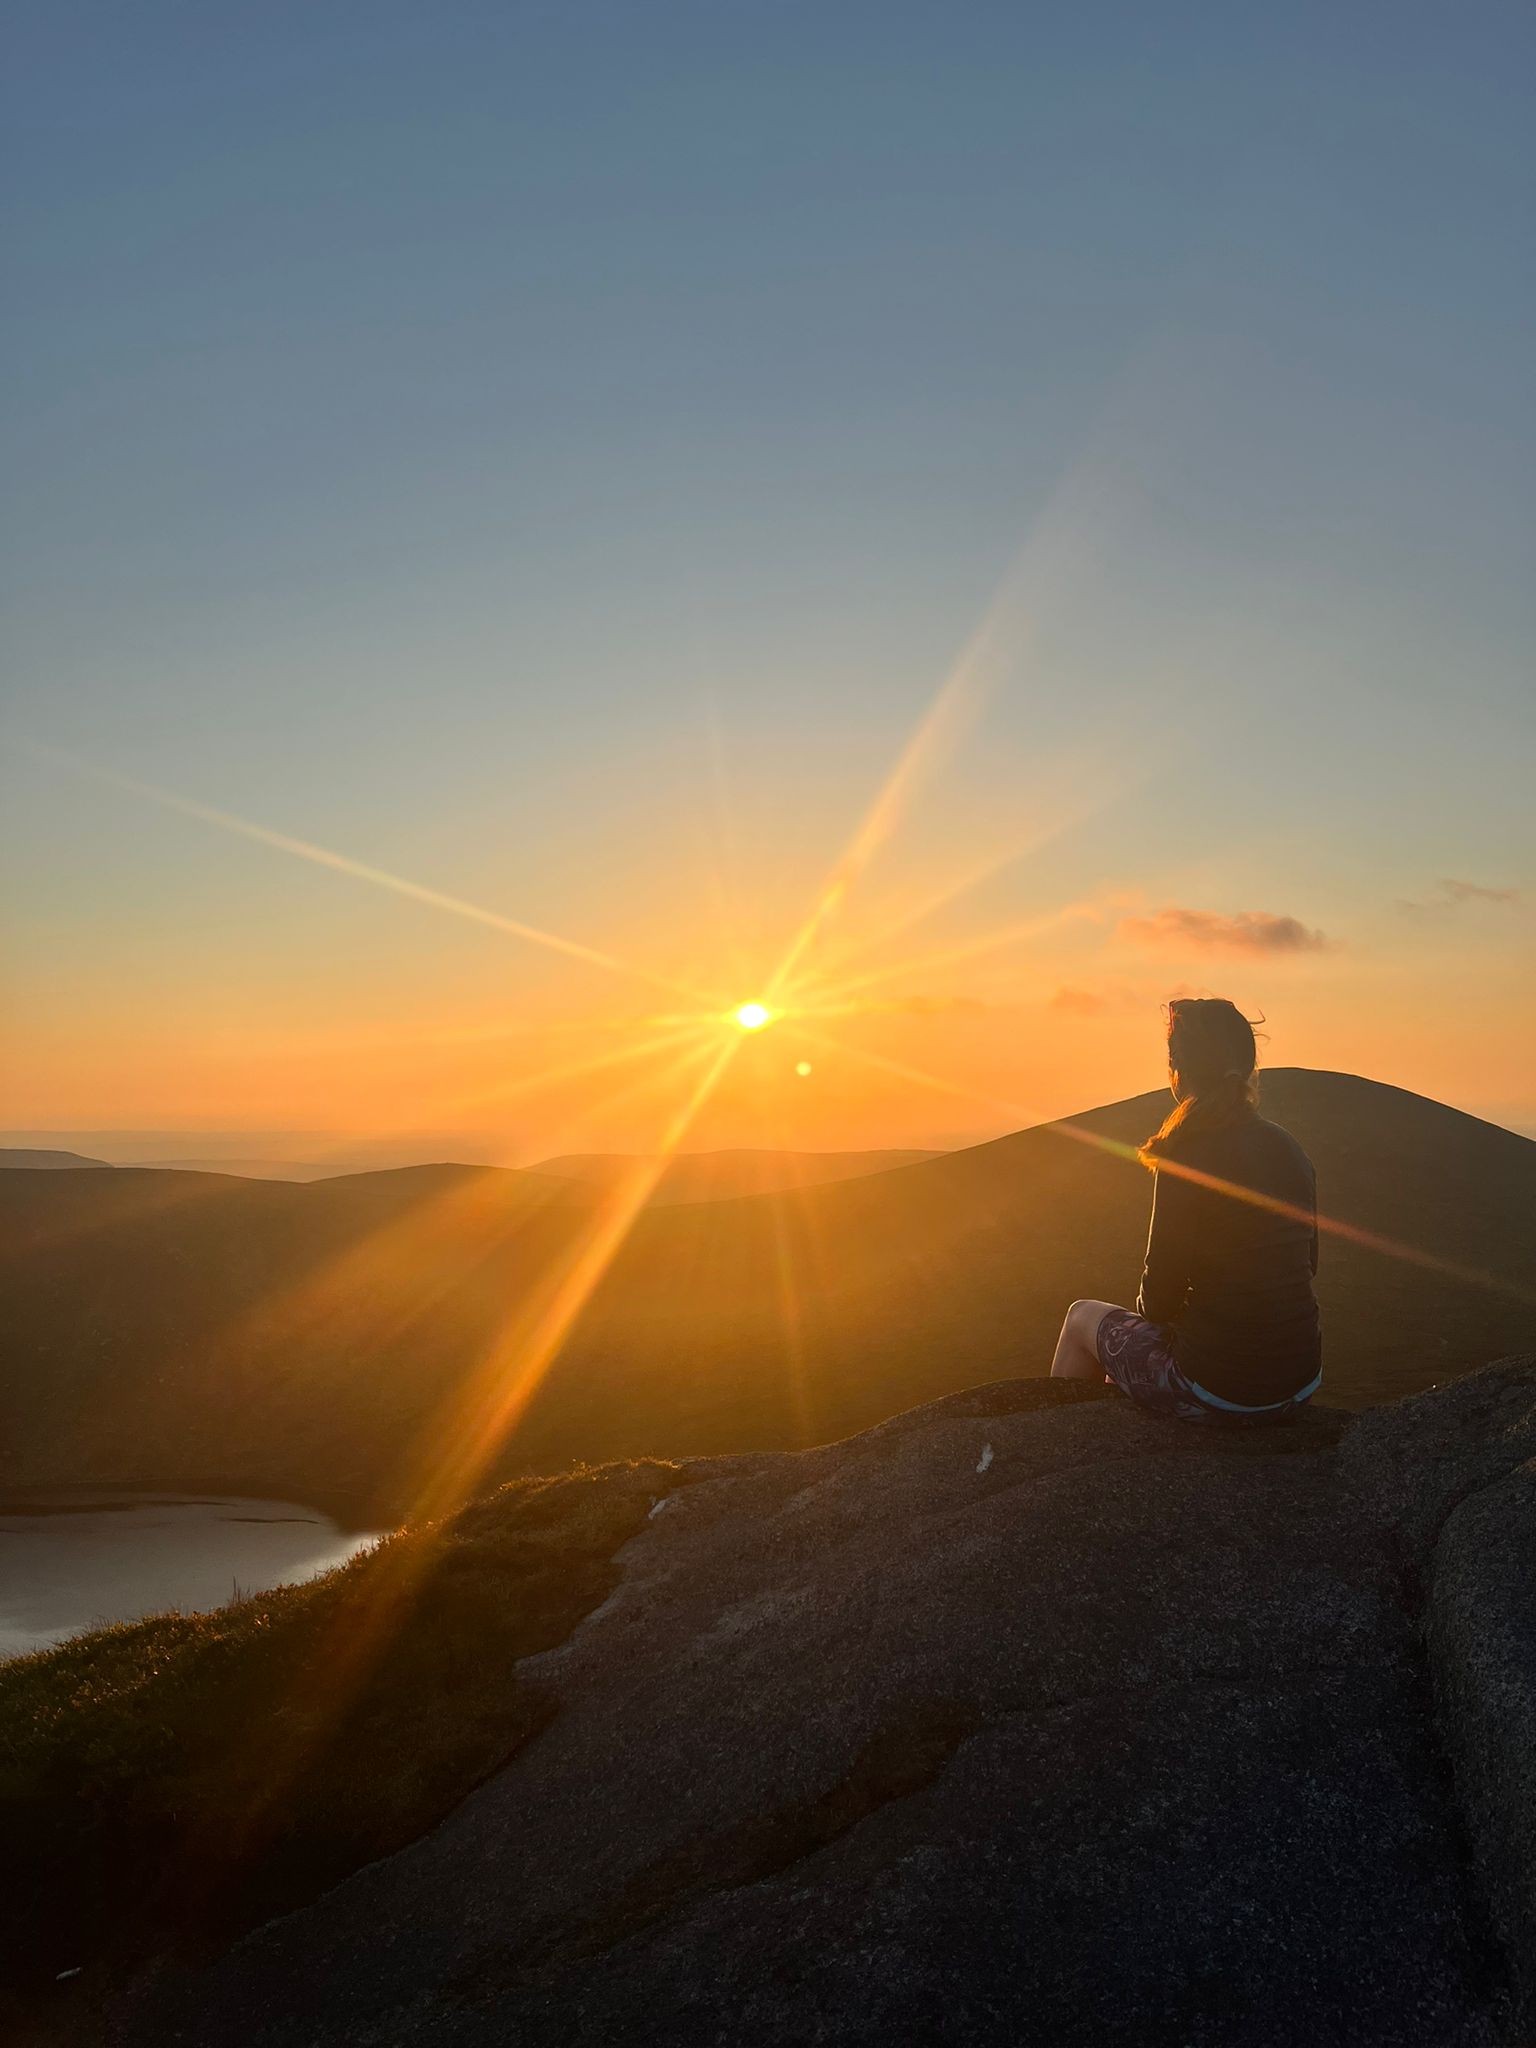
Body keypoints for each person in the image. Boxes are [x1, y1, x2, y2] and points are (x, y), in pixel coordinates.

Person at [1049, 997, 1322, 1421]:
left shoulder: (1186, 1155)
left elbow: (1158, 1302)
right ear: (1248, 1066)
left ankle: (1060, 1436)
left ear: (1178, 1067)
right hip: (1299, 1383)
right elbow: (1308, 1263)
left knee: (1080, 1316)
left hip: (1218, 1388)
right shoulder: (1289, 1148)